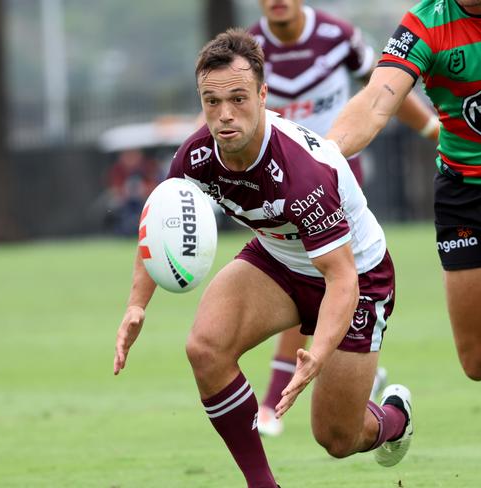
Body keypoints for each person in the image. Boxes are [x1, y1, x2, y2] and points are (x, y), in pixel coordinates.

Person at [114, 29, 415, 488]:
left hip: (358, 275)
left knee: (336, 437)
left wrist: (316, 352)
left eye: (238, 99)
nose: (224, 115)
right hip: (278, 260)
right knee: (205, 349)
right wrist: (137, 304)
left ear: (262, 94)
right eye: (211, 102)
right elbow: (159, 221)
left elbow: (342, 278)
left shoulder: (300, 173)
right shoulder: (196, 155)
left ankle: (395, 417)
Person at [325, 1, 481, 486]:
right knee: (478, 359)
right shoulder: (428, 21)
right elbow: (379, 98)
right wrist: (322, 156)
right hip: (466, 194)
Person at [248, 0, 440, 436]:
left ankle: (273, 402)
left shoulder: (338, 36)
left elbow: (387, 89)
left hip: (336, 180)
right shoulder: (250, 50)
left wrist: (432, 130)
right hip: (275, 186)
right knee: (306, 280)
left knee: (314, 276)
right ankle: (361, 376)